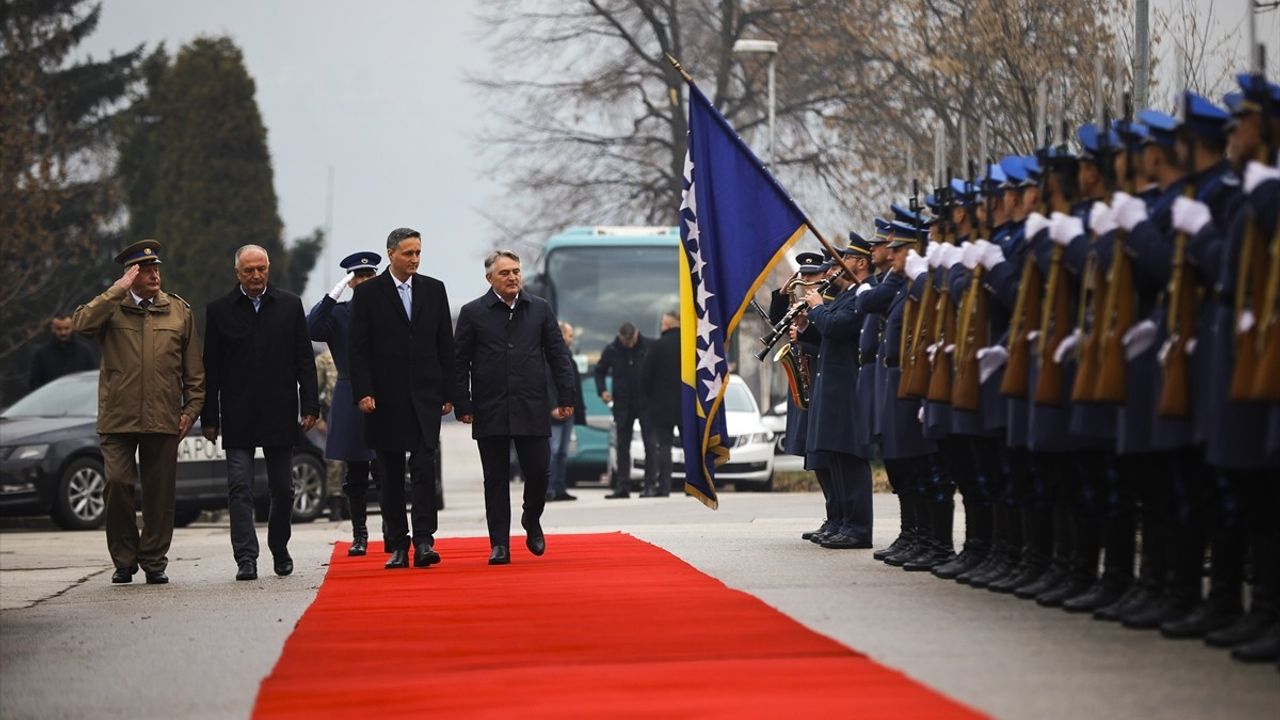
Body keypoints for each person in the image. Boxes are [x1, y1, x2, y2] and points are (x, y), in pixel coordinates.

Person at [72, 239, 204, 585]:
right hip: (118, 417)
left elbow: (194, 372)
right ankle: (124, 559)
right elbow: (81, 325)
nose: (154, 275)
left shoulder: (179, 311)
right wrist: (116, 291)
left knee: (160, 493)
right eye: (145, 270)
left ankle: (154, 560)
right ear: (129, 275)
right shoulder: (109, 309)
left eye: (156, 268)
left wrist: (190, 410)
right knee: (117, 483)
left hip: (163, 417)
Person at [202, 244, 319, 581]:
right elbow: (212, 368)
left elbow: (303, 360)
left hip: (279, 412)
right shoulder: (220, 311)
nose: (256, 276)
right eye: (249, 270)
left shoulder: (289, 305)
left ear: (268, 269)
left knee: (283, 488)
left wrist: (310, 405)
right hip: (238, 414)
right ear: (237, 273)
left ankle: (279, 548)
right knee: (239, 486)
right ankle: (246, 558)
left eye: (261, 269)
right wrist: (210, 417)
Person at [454, 249, 575, 566]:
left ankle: (531, 517)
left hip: (532, 405)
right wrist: (463, 403)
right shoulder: (472, 313)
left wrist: (566, 397)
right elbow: (458, 363)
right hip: (490, 407)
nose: (512, 277)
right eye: (505, 272)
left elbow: (558, 356)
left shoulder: (539, 309)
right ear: (490, 277)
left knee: (539, 472)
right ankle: (499, 544)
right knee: (495, 478)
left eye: (516, 271)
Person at [348, 228, 456, 570]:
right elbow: (358, 349)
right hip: (385, 399)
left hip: (424, 396)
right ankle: (397, 543)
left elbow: (445, 346)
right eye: (408, 253)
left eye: (418, 253)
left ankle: (424, 540)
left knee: (424, 468)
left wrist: (449, 393)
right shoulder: (368, 295)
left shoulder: (434, 290)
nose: (414, 259)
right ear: (391, 253)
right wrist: (364, 391)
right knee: (390, 473)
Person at [309, 251, 382, 555]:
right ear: (351, 282)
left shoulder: (387, 310)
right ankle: (359, 532)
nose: (364, 282)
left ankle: (393, 531)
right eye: (358, 277)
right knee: (355, 470)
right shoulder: (339, 314)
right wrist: (334, 292)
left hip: (384, 392)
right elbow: (311, 327)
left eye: (369, 276)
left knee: (385, 467)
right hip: (350, 393)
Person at [595, 322, 657, 498]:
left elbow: (659, 370)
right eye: (625, 341)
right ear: (619, 336)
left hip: (646, 403)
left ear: (636, 334)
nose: (628, 344)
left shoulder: (649, 346)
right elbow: (600, 371)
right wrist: (602, 391)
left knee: (650, 445)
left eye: (630, 341)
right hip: (623, 404)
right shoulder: (613, 349)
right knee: (622, 446)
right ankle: (623, 486)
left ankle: (650, 485)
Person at [640, 311, 680, 497]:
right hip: (686, 403)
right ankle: (694, 486)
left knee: (664, 445)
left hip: (662, 404)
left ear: (667, 325)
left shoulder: (657, 346)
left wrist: (650, 398)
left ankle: (664, 487)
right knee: (691, 445)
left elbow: (645, 377)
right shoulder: (691, 345)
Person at [547, 321, 585, 502]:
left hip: (568, 409)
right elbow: (547, 383)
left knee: (562, 452)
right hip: (555, 412)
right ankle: (548, 489)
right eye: (569, 335)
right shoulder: (550, 355)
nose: (571, 339)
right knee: (552, 452)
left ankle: (560, 488)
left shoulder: (567, 356)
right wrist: (552, 406)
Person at [29, 313, 97, 391]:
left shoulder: (84, 351)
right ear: (53, 329)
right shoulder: (41, 354)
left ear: (72, 328)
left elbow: (93, 380)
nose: (63, 332)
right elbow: (35, 383)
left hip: (80, 399)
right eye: (59, 329)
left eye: (66, 328)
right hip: (52, 400)